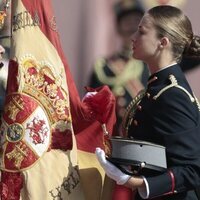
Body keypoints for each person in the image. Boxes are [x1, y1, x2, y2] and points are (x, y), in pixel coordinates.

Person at [95, 5, 200, 200]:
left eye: (141, 31)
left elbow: (192, 170)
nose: (133, 37)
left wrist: (135, 182)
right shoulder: (157, 87)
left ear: (163, 42)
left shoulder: (172, 94)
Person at [89, 0, 149, 136]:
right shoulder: (104, 67)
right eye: (127, 22)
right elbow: (92, 106)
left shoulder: (150, 63)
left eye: (136, 21)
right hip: (114, 136)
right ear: (118, 27)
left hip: (145, 136)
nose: (132, 27)